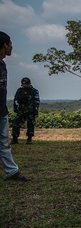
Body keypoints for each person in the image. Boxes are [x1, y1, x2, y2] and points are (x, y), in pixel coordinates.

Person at [0, 31, 29, 181]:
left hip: (2, 111)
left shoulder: (3, 64)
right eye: (10, 44)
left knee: (4, 142)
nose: (11, 47)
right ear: (5, 45)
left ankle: (12, 172)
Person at [11, 77, 39, 145]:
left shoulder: (34, 91)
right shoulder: (20, 90)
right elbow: (16, 100)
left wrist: (35, 110)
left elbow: (37, 101)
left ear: (29, 84)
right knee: (16, 124)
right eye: (23, 84)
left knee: (30, 124)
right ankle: (15, 139)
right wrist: (16, 108)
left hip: (30, 111)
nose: (24, 86)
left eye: (25, 84)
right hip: (21, 110)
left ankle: (29, 139)